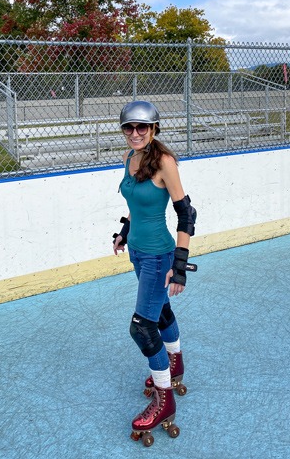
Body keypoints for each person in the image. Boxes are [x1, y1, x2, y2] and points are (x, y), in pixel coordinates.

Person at [112, 100, 197, 446]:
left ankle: (164, 400)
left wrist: (179, 266)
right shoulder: (129, 158)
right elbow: (134, 205)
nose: (134, 133)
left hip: (160, 255)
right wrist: (124, 232)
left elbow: (186, 214)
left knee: (142, 327)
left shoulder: (164, 162)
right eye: (128, 128)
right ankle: (173, 365)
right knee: (159, 311)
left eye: (141, 127)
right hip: (138, 251)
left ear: (154, 129)